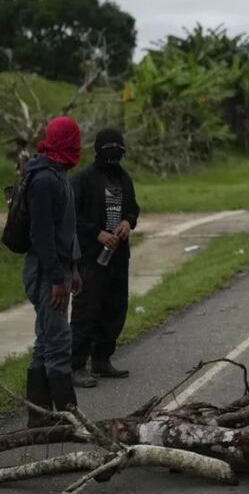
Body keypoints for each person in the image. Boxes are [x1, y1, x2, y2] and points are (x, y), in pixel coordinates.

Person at [23, 117, 83, 425]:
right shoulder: (45, 180)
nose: (78, 144)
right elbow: (42, 236)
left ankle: (41, 418)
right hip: (46, 272)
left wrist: (73, 268)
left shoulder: (59, 174)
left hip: (59, 269)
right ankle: (69, 418)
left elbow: (65, 230)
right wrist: (58, 278)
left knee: (47, 341)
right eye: (74, 138)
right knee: (58, 343)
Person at [70, 128, 140, 386]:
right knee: (87, 311)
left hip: (118, 256)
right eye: (109, 148)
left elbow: (133, 209)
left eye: (118, 148)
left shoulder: (124, 179)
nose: (114, 153)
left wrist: (128, 222)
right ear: (98, 151)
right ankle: (76, 364)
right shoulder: (82, 180)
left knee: (115, 308)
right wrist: (96, 233)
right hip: (91, 257)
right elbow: (72, 216)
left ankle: (102, 359)